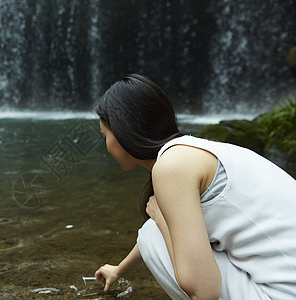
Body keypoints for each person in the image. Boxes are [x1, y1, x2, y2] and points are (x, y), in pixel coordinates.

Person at [93, 74, 296, 299]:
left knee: (157, 231)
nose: (107, 147)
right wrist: (119, 269)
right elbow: (172, 231)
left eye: (105, 136)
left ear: (124, 132)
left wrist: (160, 219)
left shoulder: (171, 166)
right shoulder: (192, 151)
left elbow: (205, 292)